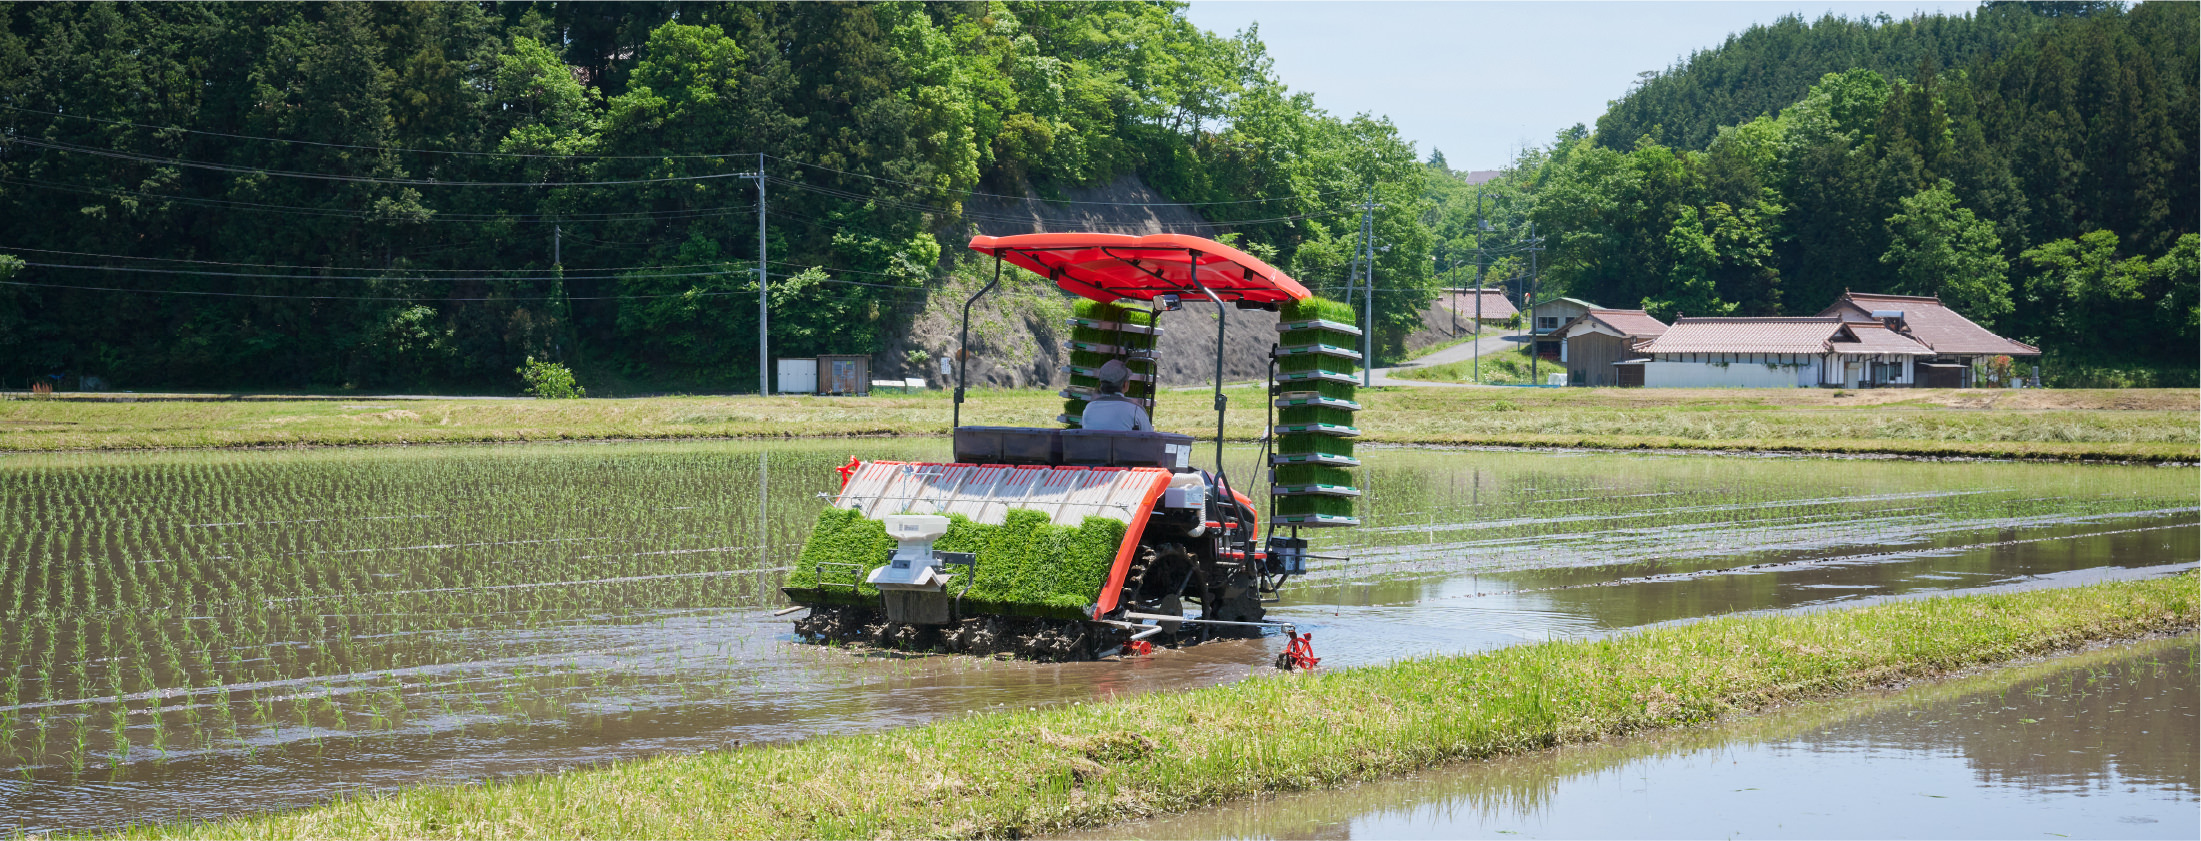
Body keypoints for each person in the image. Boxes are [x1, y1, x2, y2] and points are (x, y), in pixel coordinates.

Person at [1080, 359, 1152, 431]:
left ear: (1101, 384)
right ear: (1125, 384)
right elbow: (1150, 439)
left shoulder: (1089, 409)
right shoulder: (1136, 410)